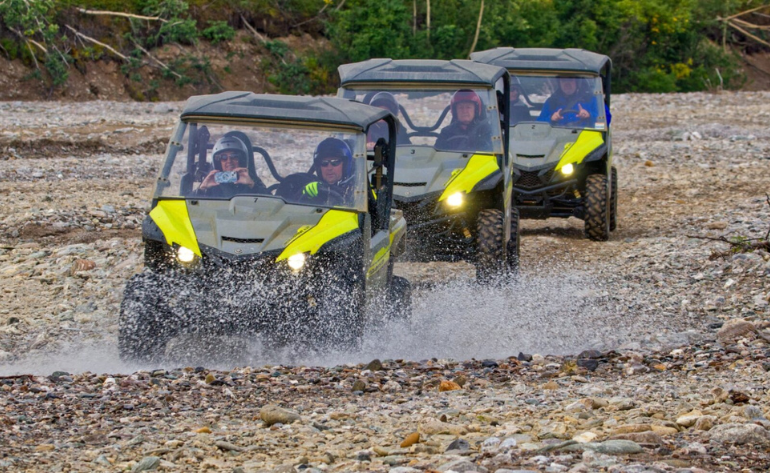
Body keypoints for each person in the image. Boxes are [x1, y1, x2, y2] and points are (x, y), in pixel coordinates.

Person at [197, 135, 267, 197]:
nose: (229, 161)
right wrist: (202, 189)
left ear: (241, 159)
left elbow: (270, 204)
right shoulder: (212, 181)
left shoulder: (250, 179)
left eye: (234, 156)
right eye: (223, 157)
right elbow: (191, 205)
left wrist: (252, 185)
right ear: (218, 162)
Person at [301, 137, 356, 205]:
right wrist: (306, 196)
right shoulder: (313, 186)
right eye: (324, 163)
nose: (329, 168)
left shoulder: (359, 188)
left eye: (335, 162)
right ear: (319, 167)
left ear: (345, 165)